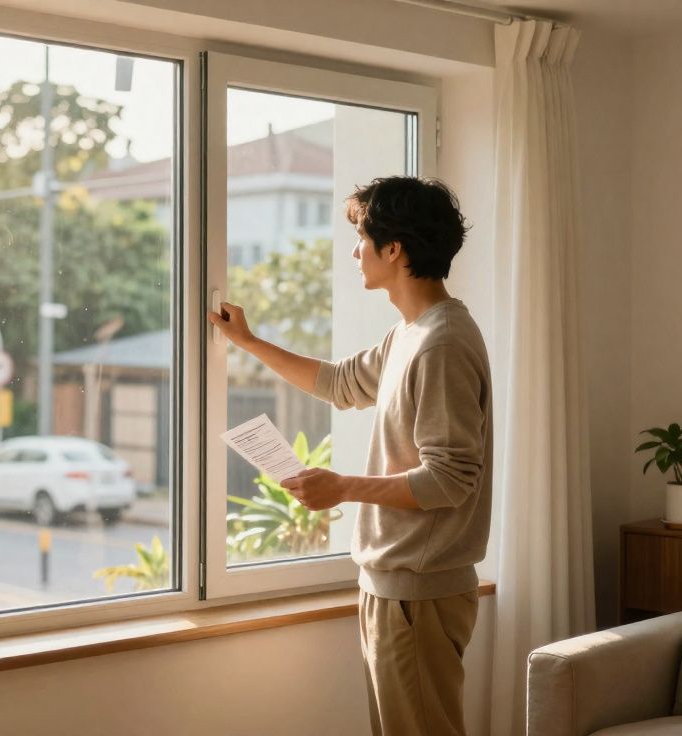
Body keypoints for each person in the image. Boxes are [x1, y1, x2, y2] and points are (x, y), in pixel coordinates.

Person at [208, 176, 491, 736]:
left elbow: (450, 478)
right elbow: (340, 383)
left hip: (419, 588)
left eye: (362, 236)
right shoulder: (410, 333)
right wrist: (249, 342)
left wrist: (342, 488)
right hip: (394, 582)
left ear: (395, 249)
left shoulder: (441, 344)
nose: (354, 250)